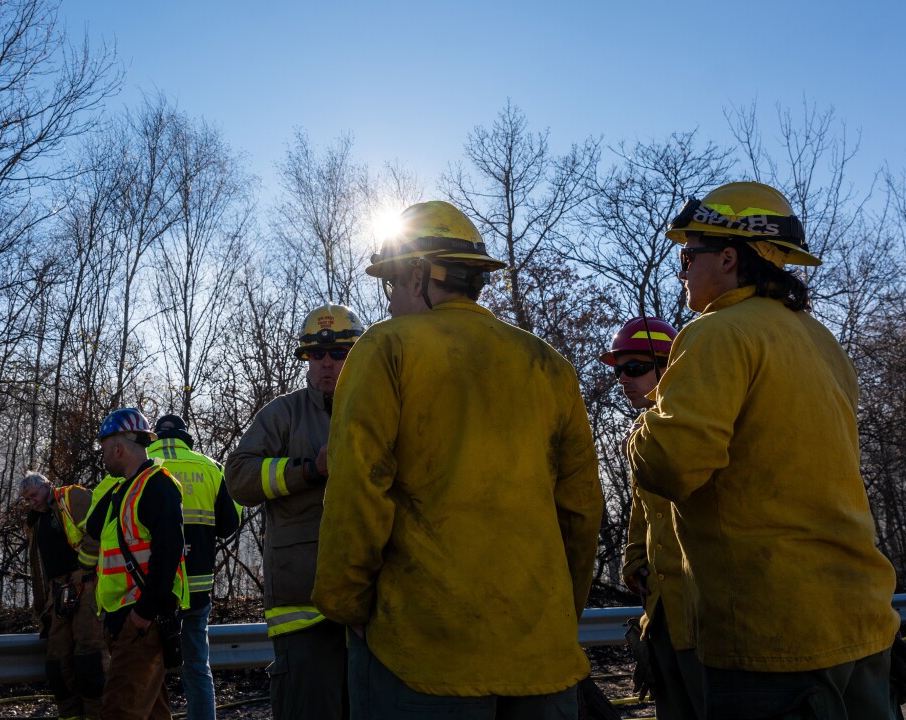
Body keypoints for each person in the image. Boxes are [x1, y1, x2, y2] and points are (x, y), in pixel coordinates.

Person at [311, 200, 603, 718]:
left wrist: (347, 601)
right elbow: (581, 510)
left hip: (424, 659)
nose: (392, 300)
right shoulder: (548, 365)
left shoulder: (386, 347)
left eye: (394, 284)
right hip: (540, 654)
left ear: (422, 275)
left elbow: (359, 483)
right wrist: (559, 614)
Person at [629, 181, 899, 718]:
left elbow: (670, 466)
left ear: (728, 258)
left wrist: (643, 426)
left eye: (689, 255)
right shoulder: (819, 339)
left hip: (773, 635)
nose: (681, 268)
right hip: (862, 620)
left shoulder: (716, 334)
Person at [225, 303, 364, 720]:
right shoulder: (283, 414)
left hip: (370, 609)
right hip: (303, 611)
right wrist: (308, 470)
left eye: (339, 353)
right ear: (305, 359)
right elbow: (238, 477)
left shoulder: (377, 409)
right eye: (316, 354)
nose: (327, 363)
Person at [603, 317, 704, 719]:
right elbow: (641, 508)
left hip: (705, 615)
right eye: (618, 370)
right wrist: (633, 558)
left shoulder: (700, 422)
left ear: (670, 367)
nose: (623, 379)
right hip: (661, 614)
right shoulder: (641, 432)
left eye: (634, 368)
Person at [84, 408, 189, 720]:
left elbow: (168, 553)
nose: (102, 457)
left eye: (104, 449)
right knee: (153, 711)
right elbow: (93, 527)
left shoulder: (158, 486)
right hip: (124, 619)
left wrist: (143, 614)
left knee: (120, 709)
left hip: (142, 620)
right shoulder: (123, 489)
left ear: (118, 448)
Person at [148, 414, 242, 720]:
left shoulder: (139, 465)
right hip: (198, 585)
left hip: (152, 587)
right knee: (197, 668)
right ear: (186, 437)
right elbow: (230, 524)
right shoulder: (211, 467)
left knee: (147, 673)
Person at [21, 472, 106, 720]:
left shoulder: (73, 497)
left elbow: (100, 528)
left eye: (34, 495)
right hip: (57, 592)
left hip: (85, 583)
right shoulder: (35, 520)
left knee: (89, 659)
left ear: (47, 486)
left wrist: (85, 564)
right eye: (27, 499)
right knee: (57, 664)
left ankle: (97, 715)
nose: (32, 502)